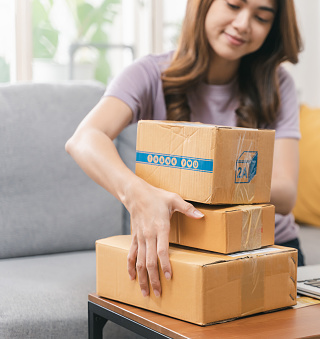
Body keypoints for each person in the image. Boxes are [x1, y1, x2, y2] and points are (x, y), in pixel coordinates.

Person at [66, 0, 304, 299]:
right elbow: (84, 138)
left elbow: (285, 193)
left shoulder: (278, 84)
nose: (244, 24)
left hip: (267, 247)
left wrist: (206, 180)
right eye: (233, 5)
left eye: (262, 16)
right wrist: (137, 194)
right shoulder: (149, 74)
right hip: (185, 250)